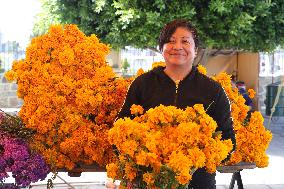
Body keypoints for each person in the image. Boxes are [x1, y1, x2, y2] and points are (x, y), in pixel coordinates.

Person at [117, 19, 236, 189]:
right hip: (148, 181)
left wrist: (200, 159)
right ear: (162, 48)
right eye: (171, 41)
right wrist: (132, 163)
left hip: (198, 182)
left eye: (185, 41)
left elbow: (228, 139)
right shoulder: (142, 84)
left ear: (195, 50)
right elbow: (121, 128)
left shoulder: (213, 90)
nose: (177, 46)